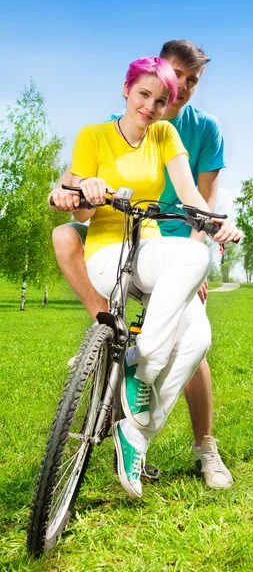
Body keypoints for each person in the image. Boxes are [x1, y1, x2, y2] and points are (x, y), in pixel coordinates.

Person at [51, 56, 240, 500]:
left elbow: (192, 196)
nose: (150, 107)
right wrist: (89, 190)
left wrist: (216, 224)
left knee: (197, 334)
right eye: (143, 95)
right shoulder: (93, 136)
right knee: (183, 298)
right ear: (126, 90)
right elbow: (77, 208)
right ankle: (142, 362)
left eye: (160, 101)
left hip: (152, 247)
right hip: (109, 252)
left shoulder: (165, 134)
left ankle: (136, 430)